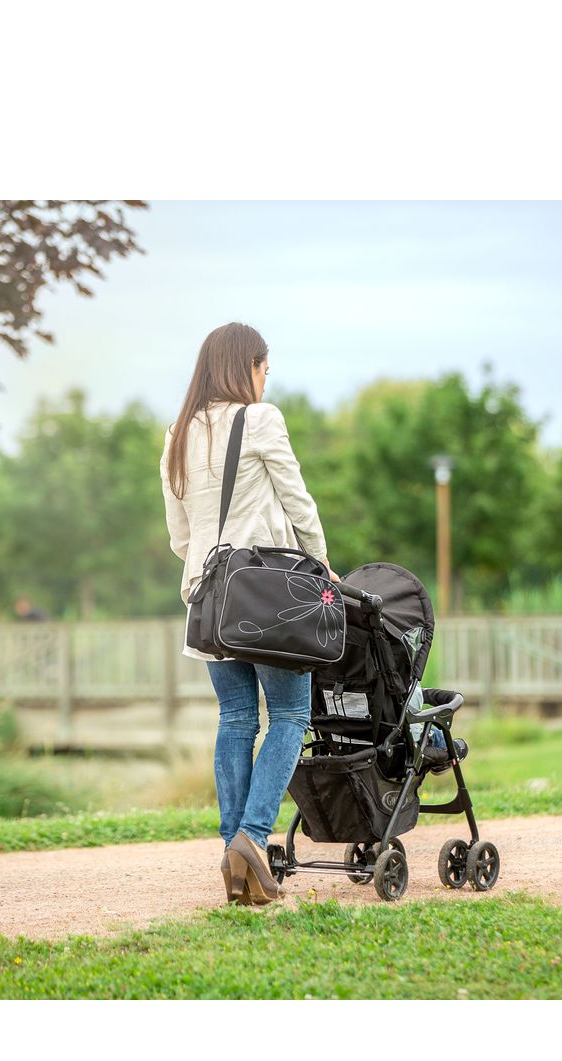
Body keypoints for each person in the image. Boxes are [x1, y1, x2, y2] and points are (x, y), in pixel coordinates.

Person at [160, 322, 341, 906]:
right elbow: (298, 501)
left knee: (237, 718)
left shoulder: (176, 434)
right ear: (250, 367)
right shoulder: (260, 419)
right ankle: (252, 838)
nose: (267, 381)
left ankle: (233, 852)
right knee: (290, 713)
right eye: (265, 369)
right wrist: (322, 566)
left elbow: (180, 538)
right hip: (265, 597)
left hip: (205, 601)